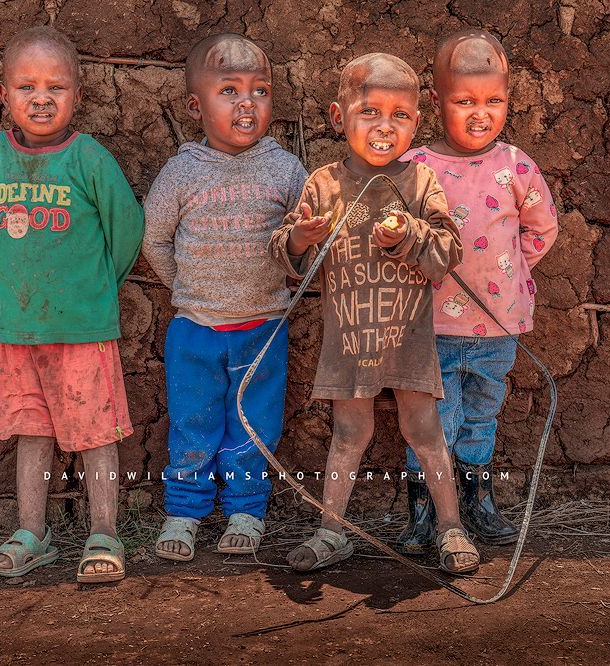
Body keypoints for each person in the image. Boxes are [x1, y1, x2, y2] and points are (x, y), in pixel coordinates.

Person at [269, 53, 479, 574]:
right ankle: (331, 530)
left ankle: (450, 527)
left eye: (400, 115)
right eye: (370, 112)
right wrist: (301, 237)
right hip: (350, 339)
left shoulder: (420, 182)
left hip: (407, 334)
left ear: (415, 122)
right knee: (348, 433)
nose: (386, 127)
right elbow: (288, 256)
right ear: (340, 117)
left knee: (425, 428)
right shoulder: (323, 184)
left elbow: (448, 251)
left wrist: (408, 234)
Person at [0, 26, 144, 583]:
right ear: (5, 95)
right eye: (26, 86)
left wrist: (94, 288)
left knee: (95, 433)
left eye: (56, 86)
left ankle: (104, 533)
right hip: (18, 330)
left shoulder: (89, 158)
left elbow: (127, 228)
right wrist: (0, 303)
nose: (41, 97)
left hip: (83, 327)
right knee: (32, 431)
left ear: (77, 94)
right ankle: (33, 532)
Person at [142, 34, 307, 561]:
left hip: (263, 328)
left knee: (255, 423)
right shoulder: (182, 172)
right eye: (229, 90)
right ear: (196, 106)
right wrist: (188, 290)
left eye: (260, 91)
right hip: (195, 328)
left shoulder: (285, 170)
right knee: (193, 421)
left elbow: (304, 245)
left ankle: (245, 509)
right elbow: (154, 239)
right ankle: (185, 512)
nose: (246, 103)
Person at [396, 29, 558, 553]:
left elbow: (542, 227)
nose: (480, 112)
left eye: (494, 101)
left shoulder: (516, 165)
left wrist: (510, 271)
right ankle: (424, 510)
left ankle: (477, 499)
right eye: (464, 101)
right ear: (438, 101)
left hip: (496, 326)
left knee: (482, 415)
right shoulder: (417, 167)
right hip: (430, 327)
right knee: (429, 421)